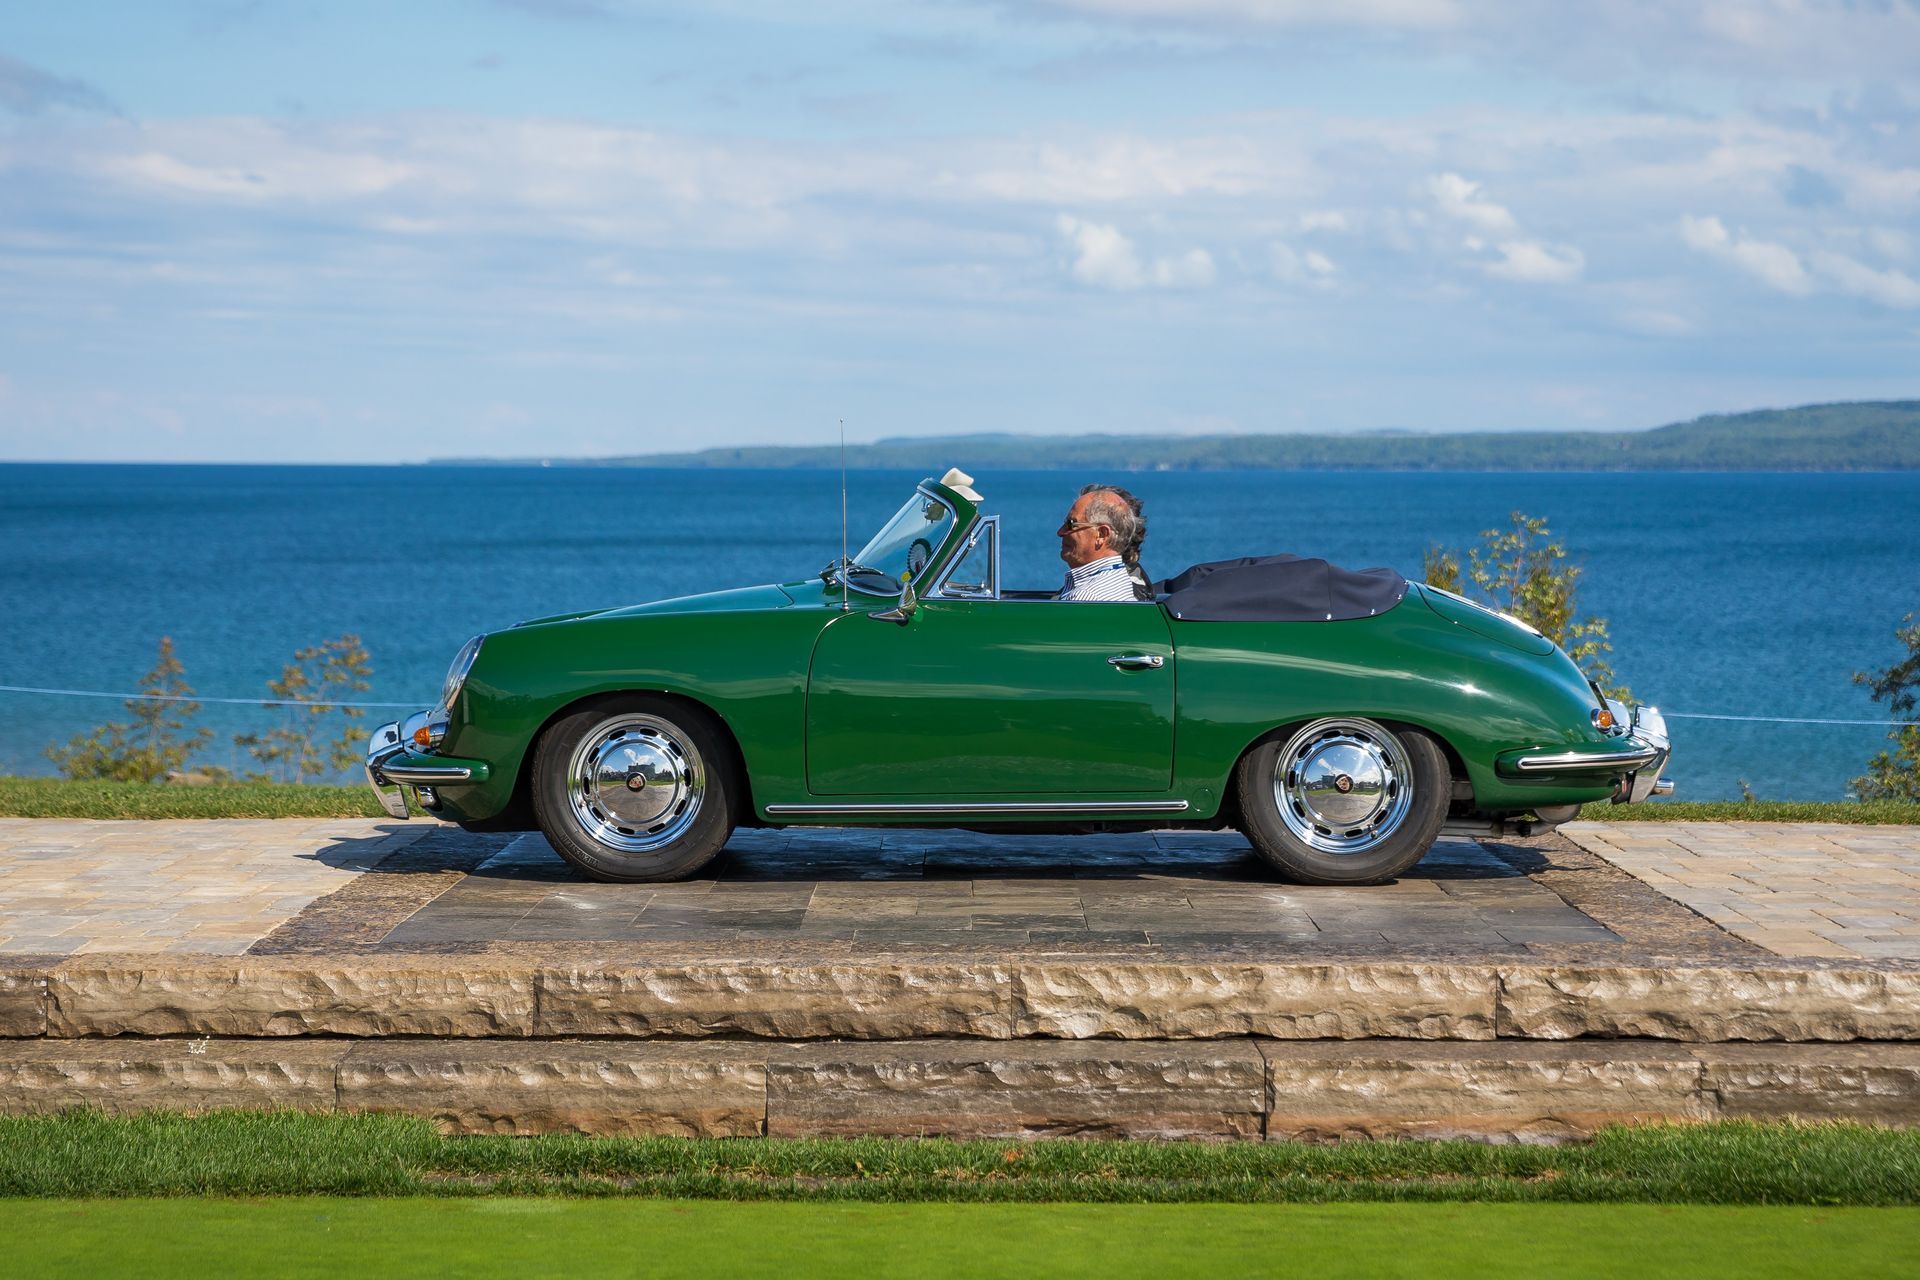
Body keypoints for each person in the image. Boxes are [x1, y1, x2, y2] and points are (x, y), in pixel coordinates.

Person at [1054, 484, 1150, 601]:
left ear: (1102, 534)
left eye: (1071, 524)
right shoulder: (1119, 581)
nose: (1060, 532)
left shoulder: (1085, 597)